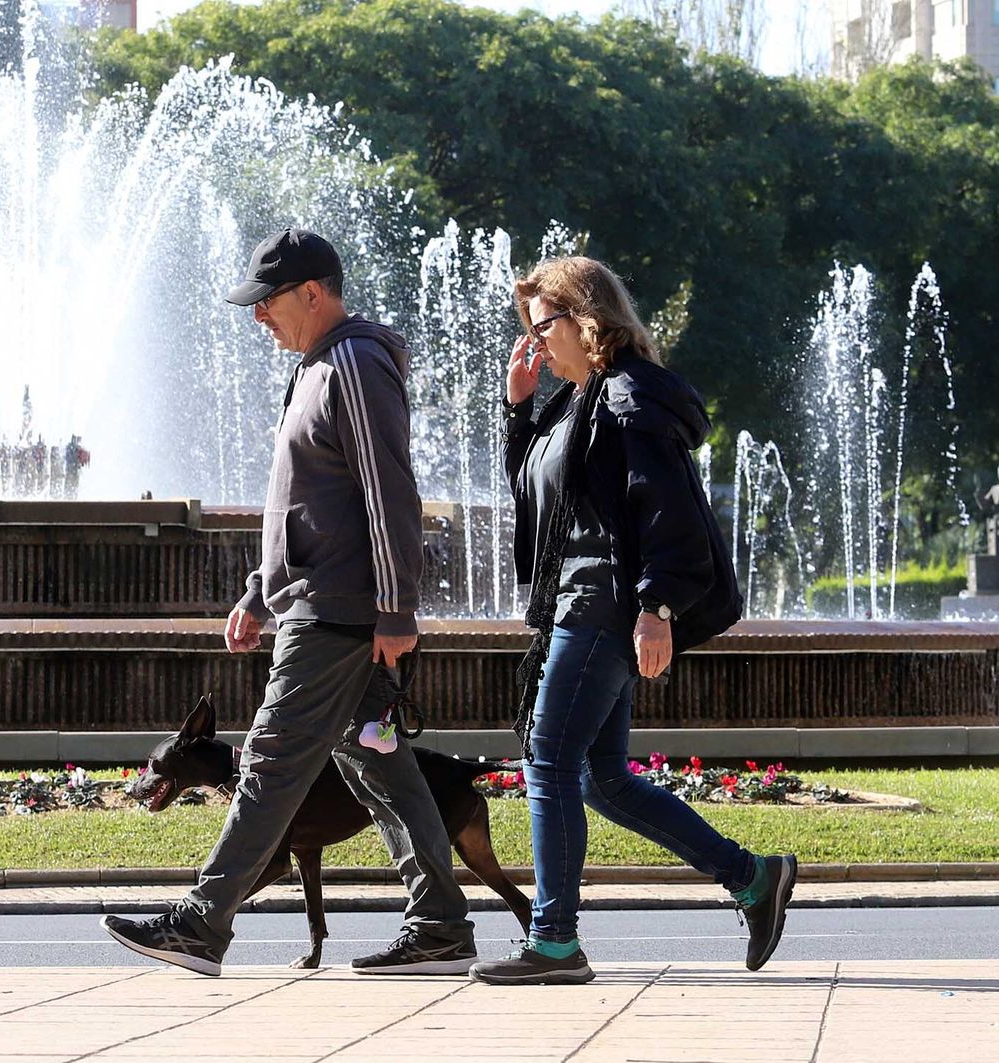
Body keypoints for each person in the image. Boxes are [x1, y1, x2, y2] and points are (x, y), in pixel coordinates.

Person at [101, 228, 478, 976]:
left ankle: (202, 924)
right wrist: (258, 592)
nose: (257, 317)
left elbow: (389, 491)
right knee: (381, 766)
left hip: (340, 614)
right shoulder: (315, 367)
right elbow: (308, 505)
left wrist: (398, 610)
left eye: (267, 301)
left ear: (314, 292)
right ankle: (439, 924)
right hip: (318, 603)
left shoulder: (355, 363)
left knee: (268, 761)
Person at [468, 256, 796, 986]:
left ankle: (554, 940)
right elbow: (539, 500)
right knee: (601, 778)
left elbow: (668, 509)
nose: (534, 342)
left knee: (548, 759)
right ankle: (753, 877)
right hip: (581, 601)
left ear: (585, 317)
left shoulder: (629, 397)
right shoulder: (578, 401)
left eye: (543, 324)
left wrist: (658, 606)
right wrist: (519, 409)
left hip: (606, 605)